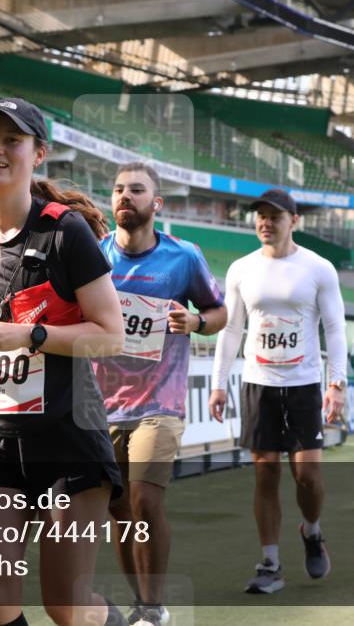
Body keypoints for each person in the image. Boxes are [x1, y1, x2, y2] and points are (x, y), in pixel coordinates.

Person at [0, 97, 128, 626]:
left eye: (12, 140)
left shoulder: (65, 231)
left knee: (65, 606)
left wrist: (30, 334)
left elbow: (111, 336)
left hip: (69, 437)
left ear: (39, 153)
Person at [93, 162, 227, 625]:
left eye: (136, 189)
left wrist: (196, 322)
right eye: (118, 189)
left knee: (146, 502)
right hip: (102, 405)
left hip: (160, 403)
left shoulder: (183, 256)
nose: (124, 196)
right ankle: (142, 603)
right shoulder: (95, 255)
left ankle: (153, 608)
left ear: (157, 203)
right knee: (119, 511)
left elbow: (219, 311)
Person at [208, 188, 347, 595]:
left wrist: (337, 383)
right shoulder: (241, 269)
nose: (266, 222)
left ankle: (312, 531)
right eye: (261, 216)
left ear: (294, 221)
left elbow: (335, 328)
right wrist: (218, 384)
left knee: (308, 475)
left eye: (275, 216)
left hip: (303, 385)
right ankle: (269, 563)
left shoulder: (318, 268)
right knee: (265, 472)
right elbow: (231, 329)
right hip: (259, 384)